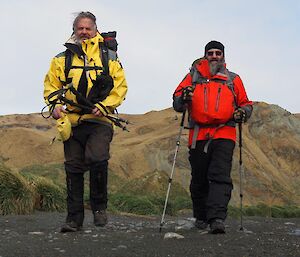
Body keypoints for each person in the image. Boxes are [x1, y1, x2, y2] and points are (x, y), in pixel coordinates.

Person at [44, 11, 127, 232]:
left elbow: (120, 87)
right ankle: (73, 219)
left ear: (95, 29)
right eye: (80, 28)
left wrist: (104, 106)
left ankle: (99, 208)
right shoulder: (61, 59)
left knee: (97, 158)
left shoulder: (108, 57)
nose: (84, 32)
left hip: (99, 119)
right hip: (71, 120)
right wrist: (54, 106)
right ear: (74, 30)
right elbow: (51, 86)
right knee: (73, 168)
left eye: (87, 28)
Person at [173, 40, 252, 234]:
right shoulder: (192, 77)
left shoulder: (233, 79)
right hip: (198, 134)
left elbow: (246, 104)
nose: (215, 56)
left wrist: (243, 112)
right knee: (199, 177)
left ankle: (216, 218)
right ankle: (201, 216)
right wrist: (183, 97)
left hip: (225, 133)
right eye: (211, 53)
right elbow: (177, 101)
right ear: (205, 55)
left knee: (220, 175)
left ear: (223, 56)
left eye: (218, 53)